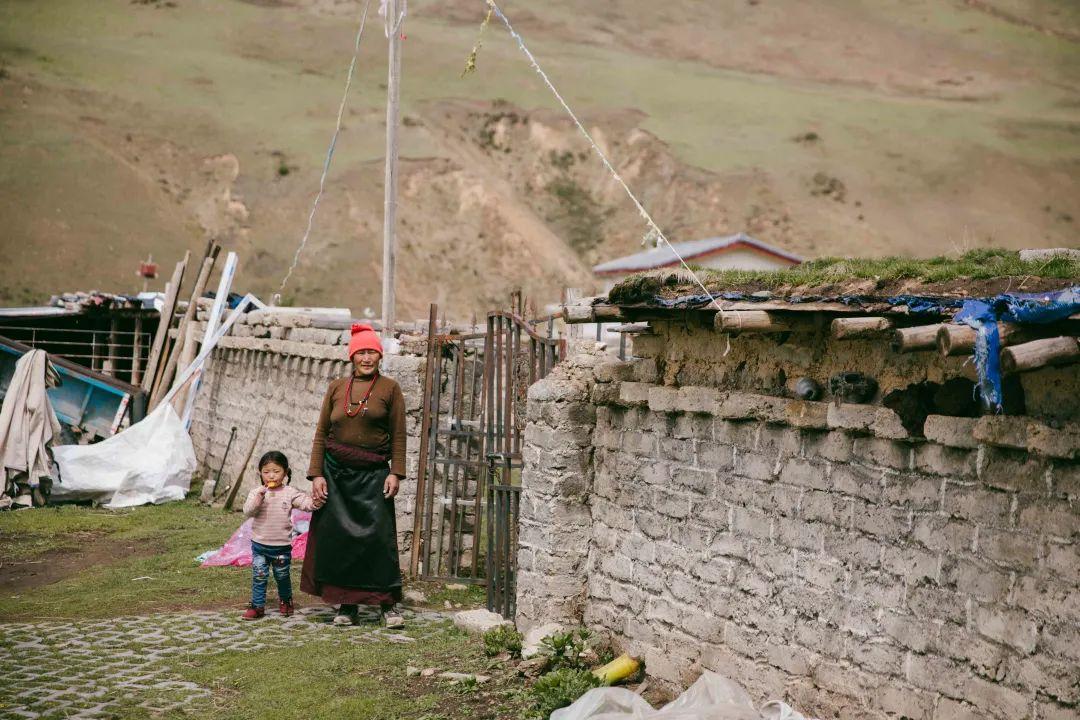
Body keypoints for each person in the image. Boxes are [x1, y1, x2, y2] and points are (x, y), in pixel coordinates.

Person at [301, 323, 407, 628]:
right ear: (351, 356)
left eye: (372, 351)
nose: (366, 357)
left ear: (379, 355)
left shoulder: (390, 388)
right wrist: (316, 474)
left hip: (374, 473)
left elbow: (399, 434)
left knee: (378, 539)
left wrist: (396, 473)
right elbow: (322, 432)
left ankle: (387, 605)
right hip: (335, 474)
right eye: (361, 351)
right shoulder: (336, 388)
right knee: (340, 539)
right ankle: (346, 606)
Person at [240, 451, 320, 621]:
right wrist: (259, 499)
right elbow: (248, 511)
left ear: (285, 473)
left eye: (276, 471)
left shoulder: (289, 492)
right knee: (259, 576)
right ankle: (257, 606)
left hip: (281, 547)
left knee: (282, 575)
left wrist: (316, 502)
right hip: (259, 546)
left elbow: (306, 503)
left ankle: (286, 601)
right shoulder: (257, 493)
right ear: (260, 473)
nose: (271, 476)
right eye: (266, 472)